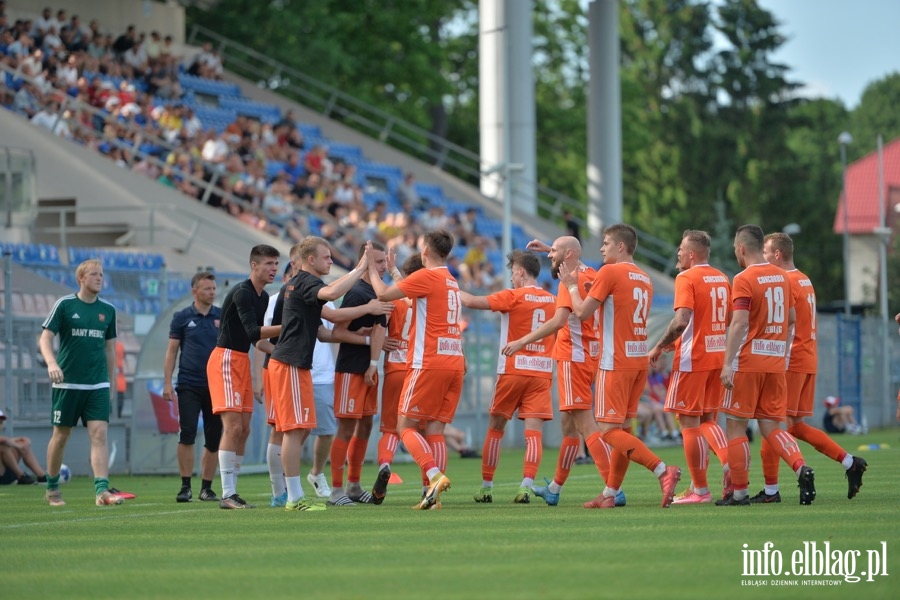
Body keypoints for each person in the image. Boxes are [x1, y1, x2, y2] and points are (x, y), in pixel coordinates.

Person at [256, 251, 392, 507]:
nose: (330, 261)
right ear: (310, 259)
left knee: (303, 429)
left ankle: (294, 493)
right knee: (292, 431)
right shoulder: (307, 282)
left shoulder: (302, 286)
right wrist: (362, 280)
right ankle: (291, 496)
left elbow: (325, 329)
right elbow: (331, 298)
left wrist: (366, 337)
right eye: (326, 257)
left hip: (300, 365)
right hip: (291, 363)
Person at [560, 224, 682, 509]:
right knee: (623, 430)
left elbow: (581, 312)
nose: (601, 249)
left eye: (605, 243)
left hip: (614, 361)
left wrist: (572, 287)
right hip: (638, 359)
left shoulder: (610, 272)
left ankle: (663, 470)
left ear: (621, 246)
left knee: (608, 431)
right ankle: (610, 493)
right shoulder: (645, 277)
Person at [503, 236, 621, 507]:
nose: (549, 256)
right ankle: (555, 488)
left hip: (573, 357)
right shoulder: (589, 272)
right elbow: (570, 259)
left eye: (554, 252)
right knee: (569, 427)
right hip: (590, 355)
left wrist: (522, 340)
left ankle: (612, 488)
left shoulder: (569, 281)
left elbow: (558, 321)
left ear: (567, 254)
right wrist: (551, 249)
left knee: (585, 423)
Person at [755, 233, 866, 502]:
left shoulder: (785, 281)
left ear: (778, 254)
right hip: (808, 358)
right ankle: (850, 462)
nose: (764, 258)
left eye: (766, 253)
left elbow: (786, 322)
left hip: (792, 359)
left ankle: (774, 489)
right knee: (795, 426)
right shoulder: (804, 279)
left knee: (771, 424)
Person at [717, 224, 815, 506]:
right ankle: (800, 467)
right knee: (772, 428)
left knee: (735, 428)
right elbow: (792, 319)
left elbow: (739, 322)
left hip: (747, 363)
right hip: (775, 363)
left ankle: (739, 493)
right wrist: (777, 346)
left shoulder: (744, 278)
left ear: (740, 248)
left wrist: (727, 364)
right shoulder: (784, 278)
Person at [367, 230, 465, 510]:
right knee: (435, 430)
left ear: (425, 251)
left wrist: (373, 268)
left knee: (404, 426)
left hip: (428, 363)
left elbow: (384, 293)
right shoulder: (451, 281)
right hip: (454, 361)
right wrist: (396, 270)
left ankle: (433, 476)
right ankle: (431, 497)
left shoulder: (427, 276)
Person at [461, 250, 556, 504]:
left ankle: (486, 487)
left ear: (521, 272)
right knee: (533, 433)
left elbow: (470, 301)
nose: (511, 276)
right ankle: (525, 486)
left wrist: (446, 288)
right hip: (541, 372)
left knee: (496, 428)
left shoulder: (512, 296)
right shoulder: (552, 300)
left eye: (513, 271)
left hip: (512, 370)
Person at [649, 230, 732, 504]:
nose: (678, 254)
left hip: (693, 359)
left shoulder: (686, 277)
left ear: (692, 254)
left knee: (688, 424)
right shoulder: (721, 278)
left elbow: (681, 321)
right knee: (708, 421)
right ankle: (731, 464)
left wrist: (660, 345)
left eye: (681, 250)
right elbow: (725, 320)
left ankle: (700, 490)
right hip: (717, 357)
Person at [39, 258, 123, 507]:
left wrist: (111, 382)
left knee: (99, 434)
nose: (100, 278)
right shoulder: (64, 305)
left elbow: (109, 350)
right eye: (94, 274)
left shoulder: (108, 310)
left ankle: (101, 491)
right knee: (61, 436)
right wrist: (52, 364)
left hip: (97, 384)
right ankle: (52, 489)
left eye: (101, 274)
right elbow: (45, 338)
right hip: (67, 384)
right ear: (81, 278)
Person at [207, 245, 282, 509]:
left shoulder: (262, 297)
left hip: (241, 360)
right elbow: (253, 332)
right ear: (254, 265)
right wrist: (292, 325)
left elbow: (258, 342)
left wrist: (282, 351)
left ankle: (232, 492)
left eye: (276, 264)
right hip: (226, 359)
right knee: (234, 427)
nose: (274, 269)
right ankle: (227, 494)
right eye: (270, 263)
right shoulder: (242, 293)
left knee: (246, 428)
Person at [328, 242, 389, 506]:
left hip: (369, 370)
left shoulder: (381, 293)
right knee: (346, 427)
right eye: (378, 262)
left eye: (385, 261)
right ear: (364, 263)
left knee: (365, 425)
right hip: (351, 369)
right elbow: (336, 333)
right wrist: (367, 343)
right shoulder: (356, 293)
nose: (383, 267)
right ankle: (336, 490)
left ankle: (354, 485)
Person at [163, 271, 223, 503]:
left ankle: (206, 488)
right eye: (207, 288)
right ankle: (185, 486)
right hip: (188, 384)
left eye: (214, 288)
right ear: (194, 291)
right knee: (186, 434)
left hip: (216, 386)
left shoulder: (221, 316)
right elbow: (171, 352)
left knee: (214, 437)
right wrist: (168, 382)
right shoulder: (182, 317)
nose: (212, 292)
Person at [0, 410, 47, 485]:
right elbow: (3, 440)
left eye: (1, 422)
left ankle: (42, 476)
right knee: (4, 447)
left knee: (22, 445)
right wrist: (18, 445)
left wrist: (22, 441)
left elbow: (7, 440)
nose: (0, 425)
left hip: (7, 472)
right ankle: (21, 476)